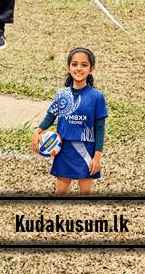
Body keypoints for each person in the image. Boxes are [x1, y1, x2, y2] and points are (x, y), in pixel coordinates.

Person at [31, 47, 108, 195]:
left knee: (85, 195)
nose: (78, 68)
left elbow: (100, 128)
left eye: (84, 65)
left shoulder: (97, 97)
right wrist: (37, 132)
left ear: (91, 69)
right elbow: (50, 116)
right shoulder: (62, 95)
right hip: (63, 150)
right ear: (68, 67)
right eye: (74, 64)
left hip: (86, 151)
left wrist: (97, 157)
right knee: (60, 194)